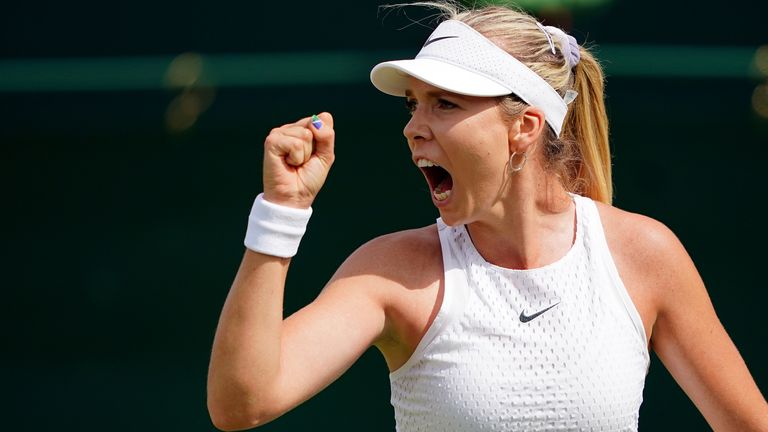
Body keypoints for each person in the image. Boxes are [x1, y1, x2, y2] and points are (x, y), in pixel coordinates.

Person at [206, 2, 768, 431]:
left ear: (523, 127)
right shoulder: (391, 270)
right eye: (412, 105)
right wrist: (280, 214)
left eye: (444, 104)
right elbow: (242, 403)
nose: (413, 127)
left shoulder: (645, 254)